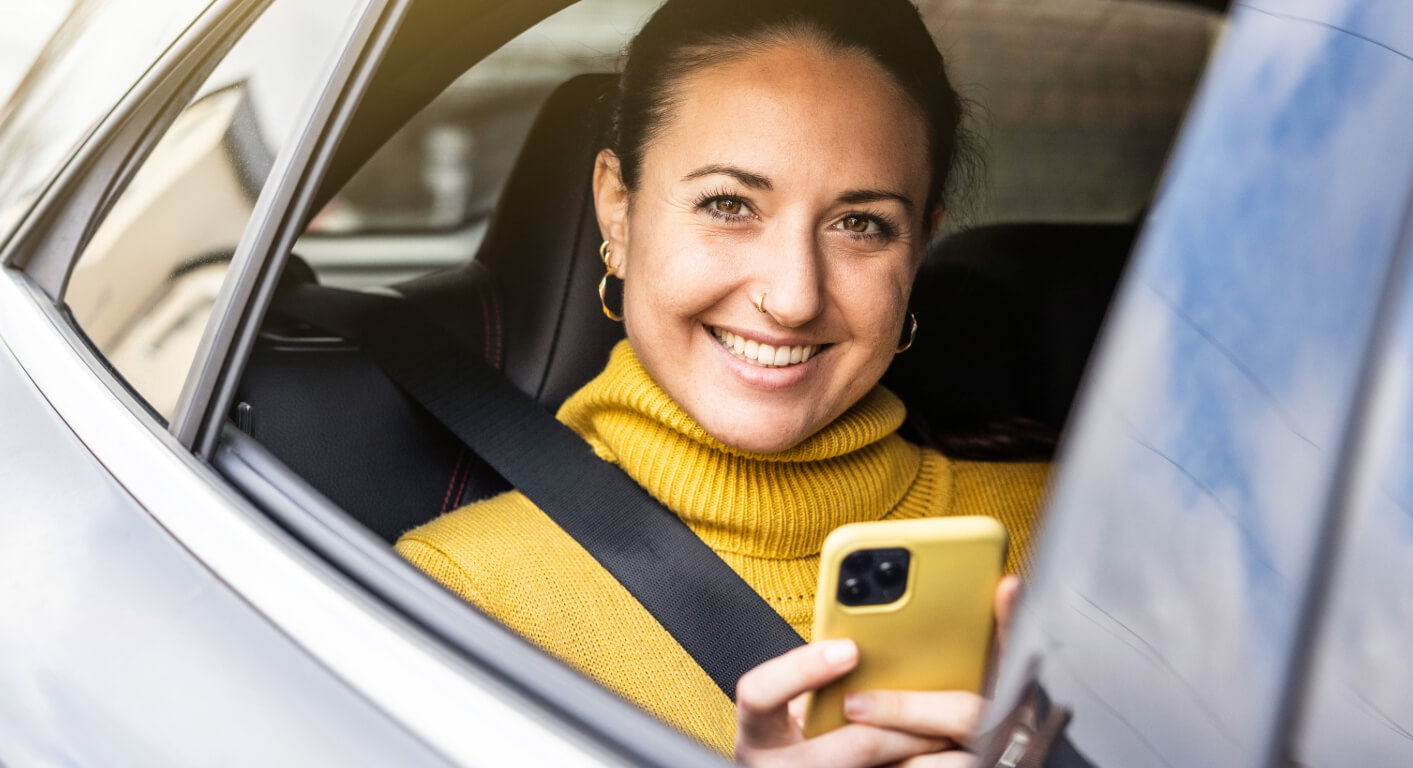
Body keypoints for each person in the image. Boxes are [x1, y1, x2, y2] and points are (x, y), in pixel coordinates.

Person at [395, 0, 1046, 763]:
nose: (794, 296)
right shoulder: (465, 595)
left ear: (920, 246)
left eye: (861, 223)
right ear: (618, 211)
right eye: (729, 205)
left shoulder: (1079, 537)